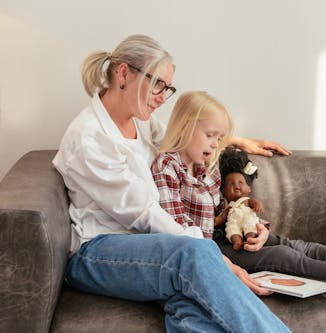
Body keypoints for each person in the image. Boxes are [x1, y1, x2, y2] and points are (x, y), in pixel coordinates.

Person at [53, 34, 291, 333]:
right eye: (158, 85)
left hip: (149, 248)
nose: (163, 98)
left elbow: (181, 137)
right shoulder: (89, 139)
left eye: (168, 88)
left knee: (193, 305)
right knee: (194, 254)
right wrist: (216, 261)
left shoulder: (140, 121)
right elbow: (146, 214)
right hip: (97, 254)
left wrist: (237, 141)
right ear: (123, 73)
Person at [152, 93, 326, 292]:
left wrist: (256, 228)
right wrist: (225, 233)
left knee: (297, 246)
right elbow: (178, 228)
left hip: (229, 235)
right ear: (186, 126)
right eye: (210, 135)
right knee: (284, 257)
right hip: (209, 249)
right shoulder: (166, 166)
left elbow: (225, 208)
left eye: (219, 138)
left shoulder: (206, 165)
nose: (215, 144)